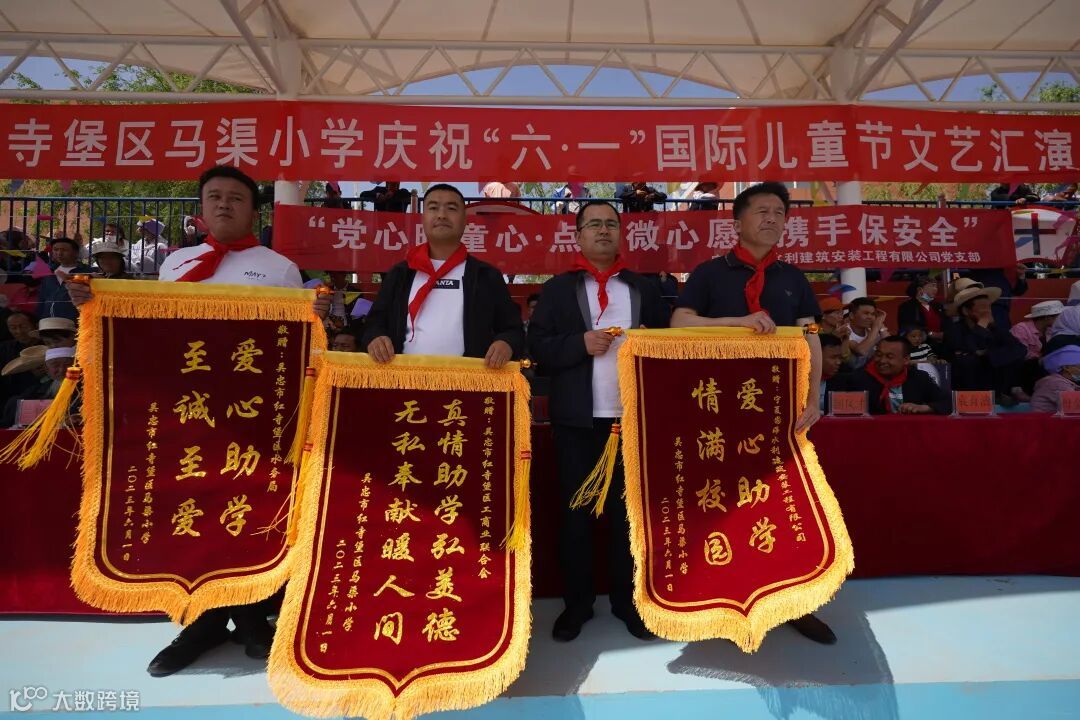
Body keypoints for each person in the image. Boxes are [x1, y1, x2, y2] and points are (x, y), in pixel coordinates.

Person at [69, 165, 330, 677]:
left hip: (252, 420)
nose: (225, 204)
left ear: (254, 211)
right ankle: (202, 623)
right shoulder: (176, 263)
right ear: (202, 208)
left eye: (236, 198)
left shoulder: (278, 268)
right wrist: (95, 302)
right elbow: (149, 327)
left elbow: (297, 344)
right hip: (187, 415)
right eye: (215, 197)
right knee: (193, 511)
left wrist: (316, 314)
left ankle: (253, 614)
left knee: (249, 509)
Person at [670, 182, 833, 645]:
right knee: (721, 506)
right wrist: (738, 322)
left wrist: (813, 398)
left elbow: (811, 336)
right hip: (717, 409)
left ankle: (794, 602)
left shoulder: (793, 277)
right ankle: (721, 598)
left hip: (780, 409)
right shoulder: (709, 273)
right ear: (737, 221)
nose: (771, 218)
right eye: (761, 210)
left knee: (785, 504)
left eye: (779, 212)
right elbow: (679, 323)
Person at [528, 200, 669, 642]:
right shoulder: (558, 289)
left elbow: (668, 344)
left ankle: (628, 603)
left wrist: (649, 345)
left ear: (621, 233)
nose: (603, 230)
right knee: (576, 516)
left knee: (629, 517)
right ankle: (578, 605)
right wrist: (579, 344)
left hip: (633, 420)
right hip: (578, 422)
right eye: (594, 224)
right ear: (578, 235)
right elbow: (537, 347)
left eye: (611, 224)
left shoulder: (643, 288)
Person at [362, 183, 524, 366]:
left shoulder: (487, 276)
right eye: (433, 208)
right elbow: (373, 324)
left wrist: (506, 343)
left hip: (467, 380)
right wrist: (375, 337)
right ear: (423, 218)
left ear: (465, 220)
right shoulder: (400, 274)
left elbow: (514, 330)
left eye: (451, 208)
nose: (441, 215)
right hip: (406, 379)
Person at [942, 278, 1026, 400]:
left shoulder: (994, 329)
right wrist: (980, 328)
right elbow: (966, 352)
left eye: (989, 307)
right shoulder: (954, 330)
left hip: (994, 380)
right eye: (982, 307)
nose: (987, 312)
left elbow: (1019, 348)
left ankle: (1006, 392)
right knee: (970, 361)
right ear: (966, 311)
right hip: (967, 386)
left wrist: (987, 354)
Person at [844, 336, 951, 415]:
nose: (882, 361)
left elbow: (948, 402)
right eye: (879, 355)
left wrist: (926, 408)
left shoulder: (919, 378)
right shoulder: (859, 378)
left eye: (889, 357)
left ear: (906, 359)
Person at [37, 237, 91, 322]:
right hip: (47, 322)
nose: (59, 253)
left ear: (76, 253)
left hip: (75, 322)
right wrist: (39, 319)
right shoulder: (49, 272)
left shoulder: (86, 272)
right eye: (56, 250)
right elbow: (42, 298)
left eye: (64, 250)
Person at [962, 265, 1028, 330]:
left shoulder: (1005, 269)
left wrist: (1021, 276)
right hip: (975, 300)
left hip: (999, 304)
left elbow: (1019, 290)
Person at [897, 276, 946, 348]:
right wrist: (931, 334)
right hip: (920, 346)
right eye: (932, 286)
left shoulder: (938, 306)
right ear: (920, 289)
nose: (936, 289)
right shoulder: (907, 307)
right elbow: (908, 328)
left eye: (936, 286)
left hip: (942, 345)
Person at [1030, 345, 1080, 413]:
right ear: (1067, 367)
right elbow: (1073, 410)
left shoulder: (1064, 383)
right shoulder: (1058, 384)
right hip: (1043, 419)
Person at [846, 297, 888, 369]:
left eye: (873, 314)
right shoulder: (844, 331)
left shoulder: (872, 330)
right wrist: (876, 327)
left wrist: (881, 325)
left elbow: (890, 345)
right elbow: (861, 351)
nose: (870, 317)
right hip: (848, 373)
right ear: (852, 315)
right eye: (866, 313)